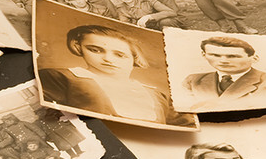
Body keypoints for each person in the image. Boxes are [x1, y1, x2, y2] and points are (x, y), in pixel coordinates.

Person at [38, 25, 194, 127]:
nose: (108, 59)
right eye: (95, 50)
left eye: (119, 55)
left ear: (134, 58)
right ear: (79, 48)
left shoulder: (157, 94)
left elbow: (185, 126)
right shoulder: (60, 77)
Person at [181, 36, 266, 111]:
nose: (223, 61)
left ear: (254, 58)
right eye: (215, 55)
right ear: (204, 55)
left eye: (232, 56)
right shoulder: (193, 80)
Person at [110, 0, 184, 30]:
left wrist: (149, 17)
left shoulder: (149, 1)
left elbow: (171, 12)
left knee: (166, 22)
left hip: (160, 24)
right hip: (145, 28)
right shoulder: (121, 8)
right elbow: (126, 24)